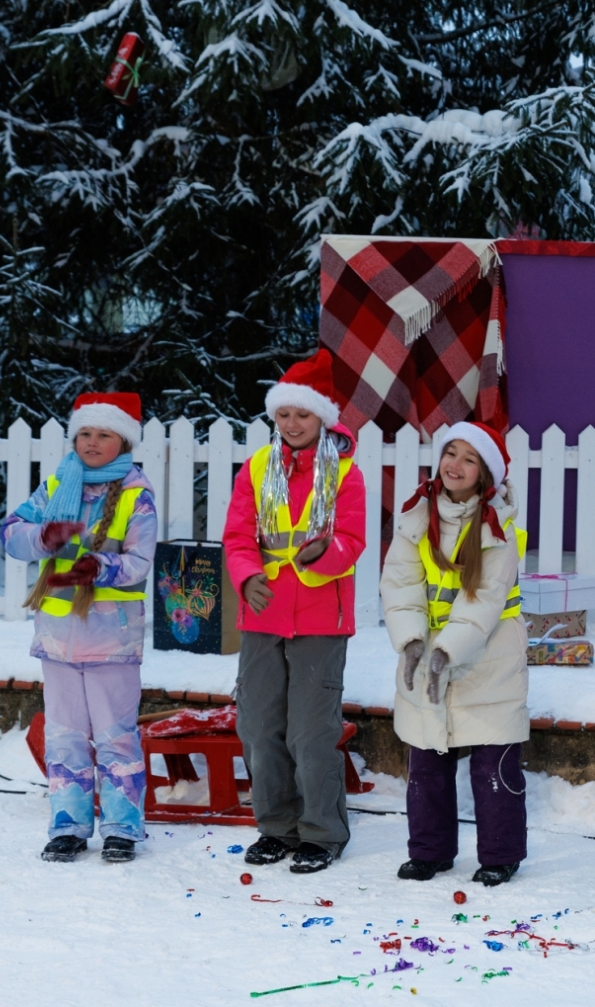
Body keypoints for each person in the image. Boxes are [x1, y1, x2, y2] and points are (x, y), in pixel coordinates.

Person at [223, 350, 366, 874]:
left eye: (301, 414)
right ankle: (277, 826)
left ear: (322, 417)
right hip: (262, 614)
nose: (291, 423)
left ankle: (322, 832)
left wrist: (318, 560)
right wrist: (247, 576)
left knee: (310, 731)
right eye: (283, 414)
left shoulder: (345, 472)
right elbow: (238, 534)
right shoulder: (258, 467)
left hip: (319, 619)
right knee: (260, 726)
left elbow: (352, 539)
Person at [0, 392, 157, 862]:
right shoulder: (56, 485)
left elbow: (140, 562)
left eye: (103, 434)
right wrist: (42, 537)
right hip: (58, 636)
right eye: (85, 433)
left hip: (111, 638)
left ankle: (121, 828)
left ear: (123, 441)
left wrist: (97, 566)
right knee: (65, 734)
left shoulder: (135, 495)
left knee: (116, 735)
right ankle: (67, 825)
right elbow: (12, 532)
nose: (91, 442)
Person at [380, 423, 529, 887]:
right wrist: (411, 642)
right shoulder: (414, 518)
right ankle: (430, 851)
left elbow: (484, 599)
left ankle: (500, 854)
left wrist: (450, 649)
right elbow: (401, 585)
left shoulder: (497, 526)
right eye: (451, 453)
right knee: (426, 761)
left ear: (485, 472)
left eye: (469, 458)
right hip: (426, 658)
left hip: (491, 660)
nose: (455, 465)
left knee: (494, 766)